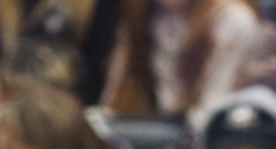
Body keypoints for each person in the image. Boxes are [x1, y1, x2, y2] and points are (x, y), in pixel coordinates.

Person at [99, 0, 263, 128]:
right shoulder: (139, 15)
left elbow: (214, 108)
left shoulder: (233, 20)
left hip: (214, 131)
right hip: (160, 120)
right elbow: (111, 98)